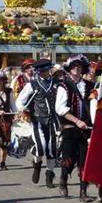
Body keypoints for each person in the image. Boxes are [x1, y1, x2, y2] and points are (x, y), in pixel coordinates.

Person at [55, 54, 95, 202]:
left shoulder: (90, 86)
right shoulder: (63, 85)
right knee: (69, 159)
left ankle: (83, 192)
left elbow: (95, 106)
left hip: (86, 129)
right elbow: (60, 108)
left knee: (85, 161)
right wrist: (77, 121)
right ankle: (63, 180)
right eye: (73, 66)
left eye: (79, 66)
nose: (76, 68)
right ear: (69, 68)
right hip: (70, 127)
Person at [16, 59, 59, 188]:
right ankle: (37, 165)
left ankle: (49, 176)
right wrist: (22, 109)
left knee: (51, 150)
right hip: (38, 121)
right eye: (42, 71)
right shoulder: (32, 85)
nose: (45, 73)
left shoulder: (56, 83)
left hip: (52, 121)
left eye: (47, 70)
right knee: (41, 148)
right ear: (38, 72)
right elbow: (20, 101)